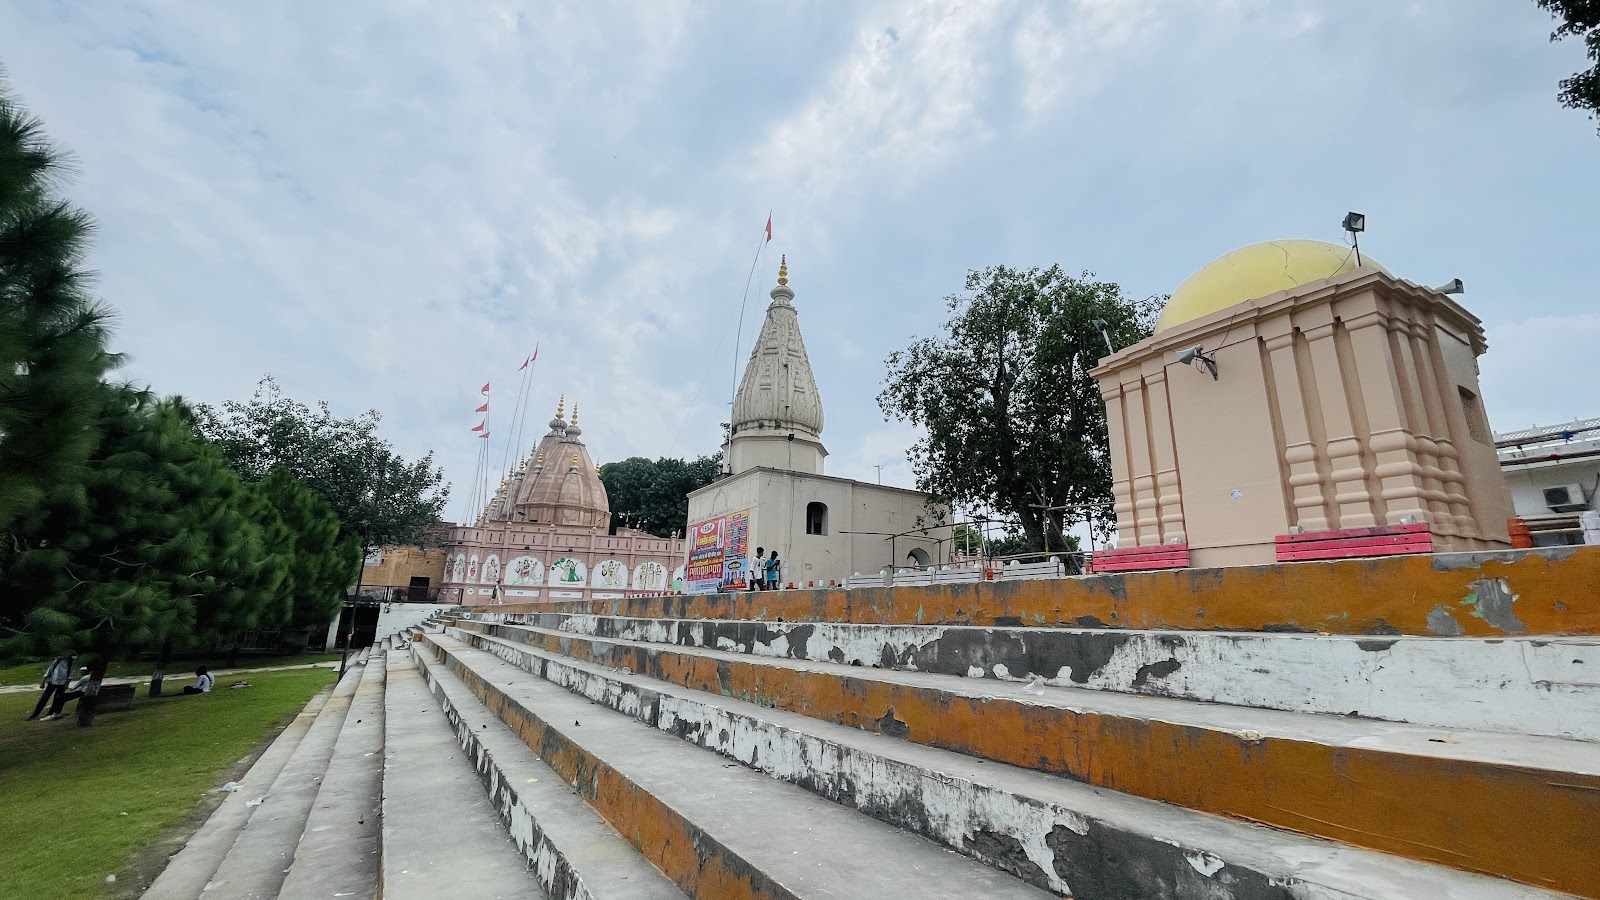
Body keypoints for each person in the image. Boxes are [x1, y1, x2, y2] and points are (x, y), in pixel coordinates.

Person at [28, 651, 76, 720]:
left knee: (57, 699)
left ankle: (51, 714)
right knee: (44, 698)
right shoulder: (57, 661)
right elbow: (49, 670)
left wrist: (66, 684)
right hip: (52, 681)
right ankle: (35, 714)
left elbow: (70, 674)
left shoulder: (71, 663)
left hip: (62, 683)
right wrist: (43, 681)